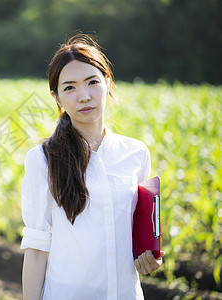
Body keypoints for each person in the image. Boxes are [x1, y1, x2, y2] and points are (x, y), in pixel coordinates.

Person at [20, 34, 165, 300]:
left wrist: (150, 259)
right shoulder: (42, 158)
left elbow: (139, 233)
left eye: (92, 82)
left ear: (107, 83)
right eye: (70, 88)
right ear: (57, 98)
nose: (84, 96)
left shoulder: (135, 153)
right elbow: (37, 247)